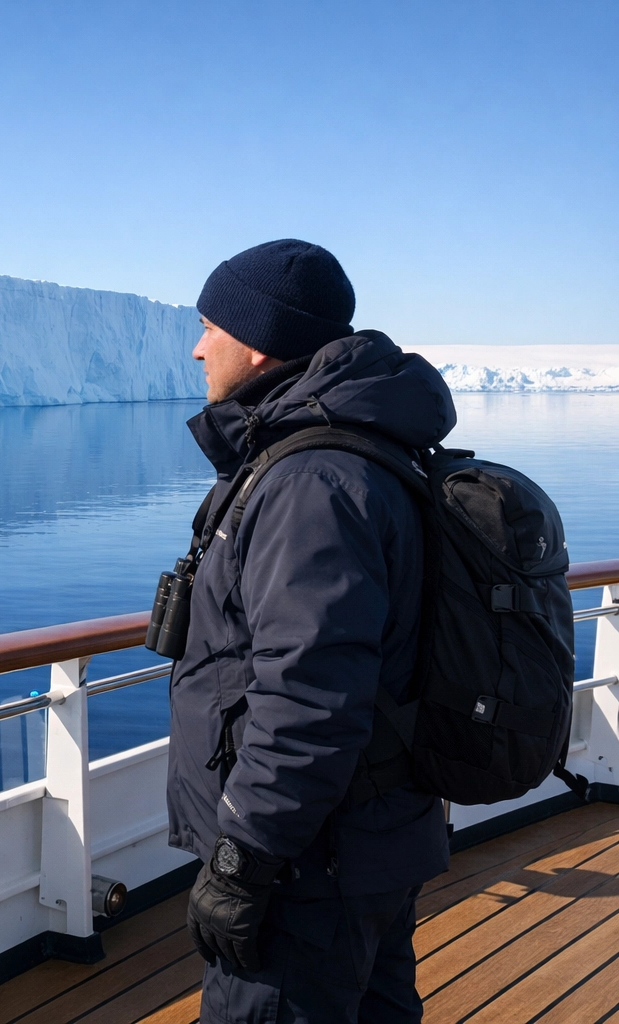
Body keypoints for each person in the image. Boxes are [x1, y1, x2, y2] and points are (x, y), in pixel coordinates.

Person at [166, 239, 457, 1023]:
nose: (197, 347)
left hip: (308, 868)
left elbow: (309, 695)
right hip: (365, 841)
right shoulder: (351, 452)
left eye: (208, 326)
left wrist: (241, 862)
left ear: (256, 343)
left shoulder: (309, 484)